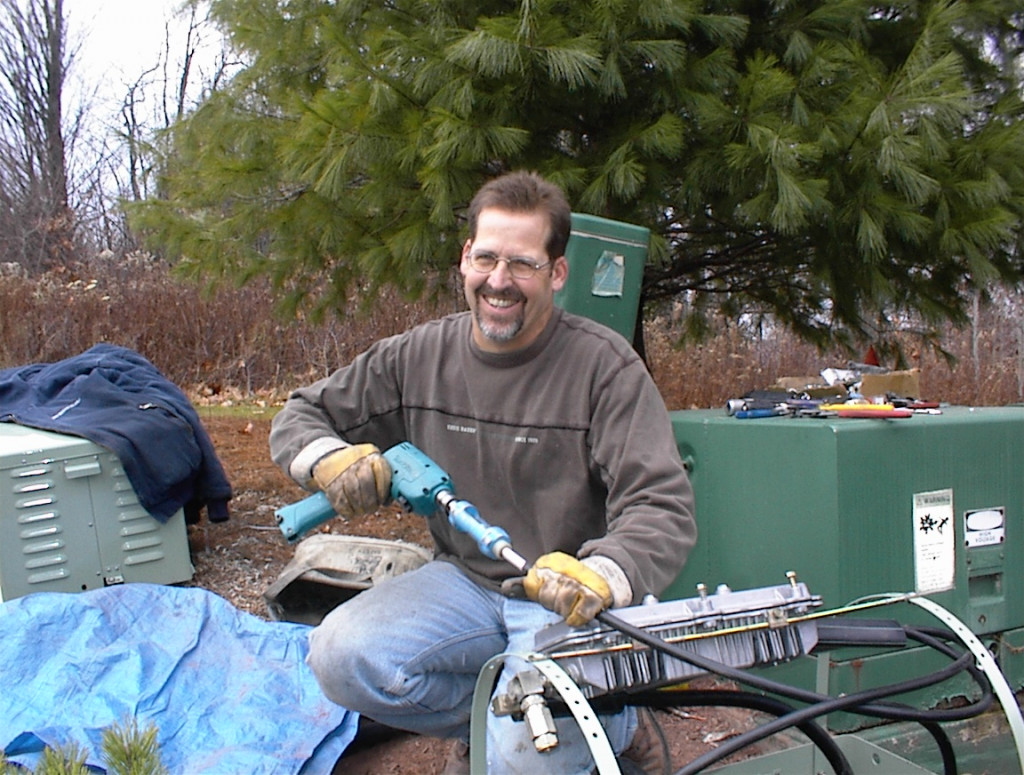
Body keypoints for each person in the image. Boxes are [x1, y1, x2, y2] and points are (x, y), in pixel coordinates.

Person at [269, 170, 696, 774]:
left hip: (559, 599)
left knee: (521, 761)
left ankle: (617, 724)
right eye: (487, 257)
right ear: (466, 257)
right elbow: (301, 412)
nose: (499, 281)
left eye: (522, 264)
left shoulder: (603, 368)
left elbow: (662, 504)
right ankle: (502, 721)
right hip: (464, 585)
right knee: (339, 657)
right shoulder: (418, 356)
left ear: (557, 272)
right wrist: (327, 458)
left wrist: (603, 574)